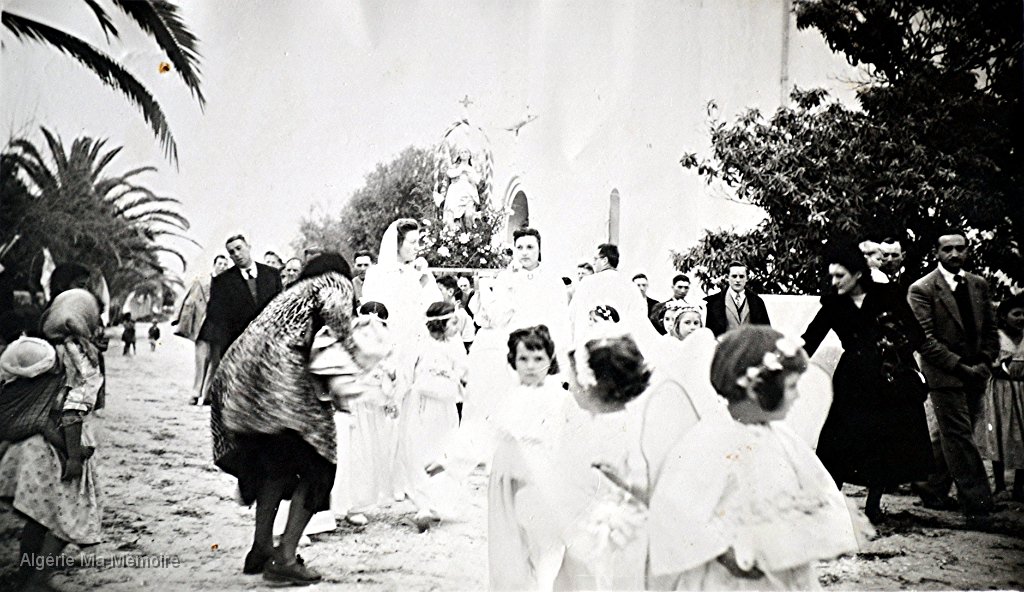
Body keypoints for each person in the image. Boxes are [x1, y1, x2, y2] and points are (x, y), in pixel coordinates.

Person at [208, 253, 388, 585]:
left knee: (276, 465)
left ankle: (261, 547)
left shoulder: (294, 291)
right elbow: (341, 330)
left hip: (240, 381)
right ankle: (286, 558)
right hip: (281, 382)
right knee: (319, 465)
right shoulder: (334, 284)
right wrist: (367, 353)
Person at [647, 326, 865, 590]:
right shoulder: (711, 439)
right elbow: (676, 508)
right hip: (732, 577)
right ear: (756, 389)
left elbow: (817, 484)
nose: (798, 396)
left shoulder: (782, 437)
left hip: (781, 567)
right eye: (792, 386)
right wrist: (726, 554)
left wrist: (822, 529)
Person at [801, 242, 932, 522]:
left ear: (858, 274)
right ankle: (830, 505)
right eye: (831, 276)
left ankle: (874, 505)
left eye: (840, 276)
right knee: (837, 441)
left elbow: (916, 335)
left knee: (883, 441)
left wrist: (893, 345)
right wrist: (788, 360)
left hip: (889, 377)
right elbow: (810, 339)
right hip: (853, 378)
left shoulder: (889, 295)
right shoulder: (833, 302)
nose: (834, 282)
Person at [0, 263, 108, 590]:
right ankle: (38, 580)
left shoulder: (45, 346)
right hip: (60, 445)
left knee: (38, 516)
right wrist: (73, 455)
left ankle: (25, 572)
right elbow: (72, 409)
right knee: (68, 520)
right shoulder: (80, 354)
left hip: (30, 445)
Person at [908, 230, 998, 520]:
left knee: (954, 433)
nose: (955, 254)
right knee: (959, 437)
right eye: (948, 249)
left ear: (967, 251)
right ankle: (978, 505)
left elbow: (990, 331)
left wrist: (985, 361)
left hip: (977, 371)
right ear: (937, 253)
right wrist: (961, 367)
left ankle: (929, 484)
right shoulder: (922, 289)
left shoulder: (978, 285)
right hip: (944, 374)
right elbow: (924, 339)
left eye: (960, 248)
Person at [465, 228, 570, 426]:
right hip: (513, 347)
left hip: (543, 347)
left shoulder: (552, 280)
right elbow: (498, 318)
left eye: (530, 247)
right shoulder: (506, 278)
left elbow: (560, 319)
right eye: (519, 248)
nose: (524, 252)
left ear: (539, 250)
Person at [395, 301, 468, 531]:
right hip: (421, 405)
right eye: (452, 322)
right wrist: (396, 399)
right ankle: (423, 503)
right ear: (439, 323)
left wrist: (454, 380)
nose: (457, 327)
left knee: (443, 450)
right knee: (419, 449)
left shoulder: (455, 346)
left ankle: (440, 502)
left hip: (445, 407)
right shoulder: (418, 345)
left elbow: (463, 370)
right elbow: (406, 374)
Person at [201, 234, 283, 404]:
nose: (236, 254)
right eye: (231, 252)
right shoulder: (223, 281)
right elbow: (215, 316)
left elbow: (280, 309)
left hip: (268, 345)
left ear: (249, 247)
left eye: (239, 248)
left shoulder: (272, 275)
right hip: (237, 347)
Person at [360, 218, 442, 356]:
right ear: (397, 244)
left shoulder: (420, 272)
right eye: (412, 242)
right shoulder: (376, 274)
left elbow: (435, 306)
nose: (417, 247)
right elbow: (376, 312)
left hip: (419, 342)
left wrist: (423, 281)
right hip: (389, 344)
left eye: (418, 242)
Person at [570, 244, 660, 359]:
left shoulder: (587, 283)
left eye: (595, 259)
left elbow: (573, 316)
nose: (593, 263)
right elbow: (639, 322)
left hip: (591, 348)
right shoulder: (630, 286)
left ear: (604, 260)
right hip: (620, 352)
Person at [977, 293, 1024, 502]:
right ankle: (1000, 485)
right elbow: (991, 364)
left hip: (1022, 392)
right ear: (1004, 316)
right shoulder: (996, 337)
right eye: (1017, 314)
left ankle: (1020, 487)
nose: (1021, 318)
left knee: (1021, 436)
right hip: (1000, 393)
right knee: (999, 433)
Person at [173, 254, 230, 405]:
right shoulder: (202, 281)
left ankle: (207, 394)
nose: (223, 266)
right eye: (220, 263)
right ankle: (195, 393)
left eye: (225, 264)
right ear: (214, 265)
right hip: (204, 326)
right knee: (201, 359)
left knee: (216, 361)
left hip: (221, 327)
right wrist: (179, 319)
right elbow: (187, 300)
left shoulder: (231, 285)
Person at [704, 262, 771, 337]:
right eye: (734, 276)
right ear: (727, 278)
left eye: (741, 276)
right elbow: (709, 336)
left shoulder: (757, 302)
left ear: (747, 278)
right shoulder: (713, 303)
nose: (738, 280)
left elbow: (766, 333)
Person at [439, 148, 482, 229]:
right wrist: (461, 169)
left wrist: (469, 175)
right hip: (456, 193)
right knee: (452, 215)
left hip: (468, 193)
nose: (464, 154)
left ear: (469, 155)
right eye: (461, 152)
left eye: (466, 152)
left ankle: (468, 235)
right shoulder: (455, 166)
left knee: (468, 215)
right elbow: (450, 174)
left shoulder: (471, 169)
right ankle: (454, 233)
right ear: (459, 155)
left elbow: (477, 180)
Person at [437, 275, 476, 354]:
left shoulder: (461, 315)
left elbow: (468, 344)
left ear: (450, 291)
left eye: (439, 290)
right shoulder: (435, 313)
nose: (435, 293)